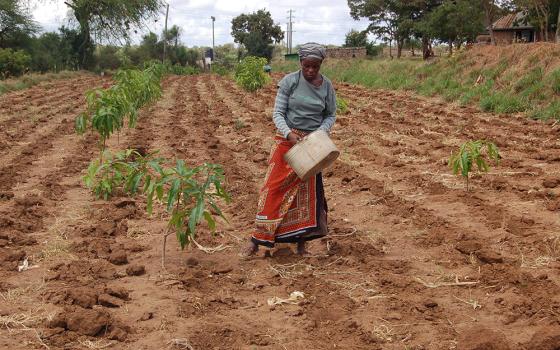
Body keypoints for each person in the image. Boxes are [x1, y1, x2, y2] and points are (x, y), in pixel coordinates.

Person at [242, 42, 336, 257]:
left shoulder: (327, 86)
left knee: (307, 195)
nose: (311, 71)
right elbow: (278, 114)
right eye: (307, 66)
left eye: (315, 67)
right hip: (287, 141)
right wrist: (290, 135)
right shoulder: (290, 82)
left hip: (313, 144)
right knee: (272, 190)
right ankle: (256, 241)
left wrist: (320, 133)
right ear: (300, 63)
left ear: (320, 64)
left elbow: (330, 114)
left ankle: (302, 245)